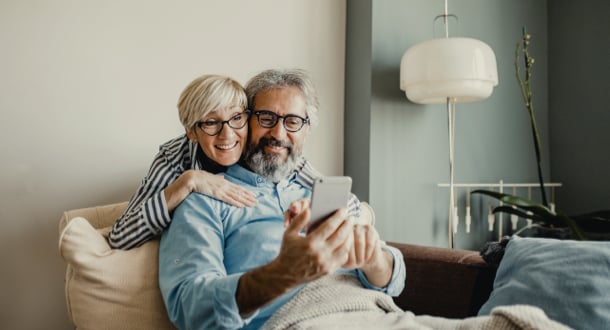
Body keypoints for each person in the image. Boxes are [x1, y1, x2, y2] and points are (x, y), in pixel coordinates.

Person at [158, 69, 406, 329]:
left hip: (381, 315)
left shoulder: (321, 194)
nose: (278, 133)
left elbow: (395, 281)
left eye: (292, 121)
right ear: (245, 121)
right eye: (266, 118)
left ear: (306, 130)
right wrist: (280, 274)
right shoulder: (204, 201)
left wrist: (371, 258)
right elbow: (189, 308)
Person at [108, 74, 361, 250]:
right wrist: (188, 181)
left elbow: (345, 200)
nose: (227, 135)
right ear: (191, 131)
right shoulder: (175, 157)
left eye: (236, 118)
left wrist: (315, 207)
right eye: (210, 122)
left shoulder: (264, 148)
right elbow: (120, 237)